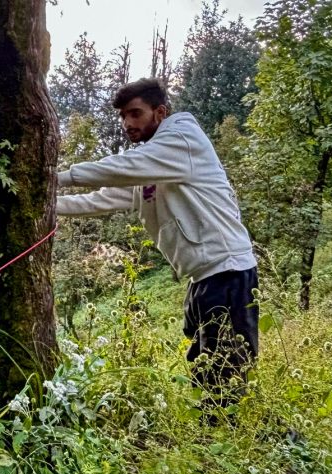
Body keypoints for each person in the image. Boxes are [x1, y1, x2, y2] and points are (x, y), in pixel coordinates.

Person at [55, 78, 259, 412]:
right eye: (123, 116)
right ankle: (219, 435)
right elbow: (104, 199)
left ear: (160, 112)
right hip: (202, 276)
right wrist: (47, 203)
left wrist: (58, 175)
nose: (127, 123)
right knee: (202, 363)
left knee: (228, 370)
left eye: (136, 113)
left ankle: (261, 439)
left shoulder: (182, 140)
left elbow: (124, 167)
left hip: (228, 269)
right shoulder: (153, 163)